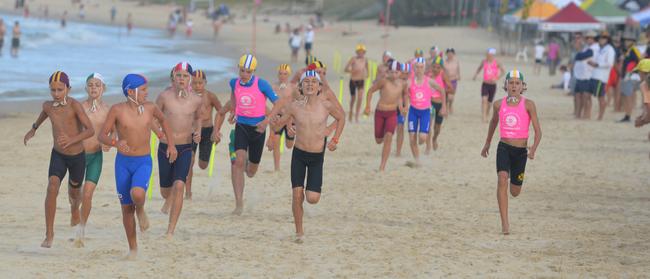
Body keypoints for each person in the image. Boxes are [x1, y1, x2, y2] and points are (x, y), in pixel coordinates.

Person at [99, 74, 176, 259]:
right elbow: (102, 135)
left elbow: (164, 121)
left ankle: (140, 209)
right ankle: (133, 249)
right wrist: (115, 143)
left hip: (143, 161)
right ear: (130, 91)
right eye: (143, 90)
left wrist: (171, 144)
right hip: (123, 164)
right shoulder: (117, 110)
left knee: (138, 194)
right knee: (126, 209)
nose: (147, 93)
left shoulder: (150, 107)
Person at [270, 70, 345, 243]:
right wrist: (275, 125)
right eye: (306, 82)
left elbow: (341, 118)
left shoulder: (326, 106)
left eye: (314, 82)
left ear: (319, 87)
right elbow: (278, 127)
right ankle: (299, 233)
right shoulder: (295, 107)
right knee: (297, 195)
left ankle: (305, 204)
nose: (310, 84)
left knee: (312, 198)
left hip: (317, 156)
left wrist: (334, 138)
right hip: (299, 154)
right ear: (301, 87)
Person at [23, 71, 95, 248]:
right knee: (52, 186)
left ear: (68, 89)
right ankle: (49, 233)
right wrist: (34, 128)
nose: (56, 94)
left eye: (59, 90)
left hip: (77, 156)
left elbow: (90, 130)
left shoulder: (75, 106)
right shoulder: (48, 106)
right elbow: (44, 115)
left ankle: (73, 209)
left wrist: (72, 140)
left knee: (74, 194)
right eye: (52, 90)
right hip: (58, 155)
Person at [211, 54, 286, 215]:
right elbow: (234, 96)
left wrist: (267, 122)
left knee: (251, 172)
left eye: (248, 71)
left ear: (253, 71)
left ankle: (245, 165)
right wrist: (234, 110)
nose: (244, 74)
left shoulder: (262, 84)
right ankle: (239, 203)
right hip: (242, 127)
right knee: (238, 161)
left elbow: (279, 103)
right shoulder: (234, 82)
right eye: (242, 70)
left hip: (258, 129)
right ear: (238, 68)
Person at [481, 70, 542, 235]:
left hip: (521, 151)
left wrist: (533, 150)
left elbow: (538, 132)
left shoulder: (529, 105)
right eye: (511, 82)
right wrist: (487, 143)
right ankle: (505, 224)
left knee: (515, 192)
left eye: (517, 83)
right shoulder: (498, 104)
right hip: (504, 147)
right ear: (506, 85)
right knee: (501, 179)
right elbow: (493, 122)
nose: (514, 86)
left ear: (522, 86)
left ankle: (514, 183)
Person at [154, 62, 202, 239]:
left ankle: (170, 230)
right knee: (166, 191)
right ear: (173, 76)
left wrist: (197, 131)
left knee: (180, 185)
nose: (182, 79)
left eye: (185, 76)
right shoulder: (164, 97)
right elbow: (153, 117)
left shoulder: (196, 99)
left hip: (185, 147)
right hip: (166, 147)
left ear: (190, 79)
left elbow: (198, 119)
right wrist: (159, 134)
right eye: (179, 75)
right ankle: (168, 198)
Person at [73, 73, 112, 247]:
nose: (94, 88)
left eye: (97, 85)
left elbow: (115, 130)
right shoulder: (79, 107)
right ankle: (74, 209)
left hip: (96, 156)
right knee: (74, 196)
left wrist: (109, 142)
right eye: (90, 85)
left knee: (87, 195)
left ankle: (82, 228)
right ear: (86, 88)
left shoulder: (108, 110)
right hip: (78, 156)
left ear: (103, 88)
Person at [186, 69, 222, 199]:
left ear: (205, 83)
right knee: (189, 160)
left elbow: (221, 111)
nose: (197, 86)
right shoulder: (187, 95)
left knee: (202, 165)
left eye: (200, 83)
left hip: (207, 130)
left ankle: (205, 156)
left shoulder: (210, 96)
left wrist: (216, 130)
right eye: (194, 83)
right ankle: (188, 192)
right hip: (191, 132)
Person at [364, 61, 406, 171]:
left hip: (392, 113)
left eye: (396, 72)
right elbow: (370, 91)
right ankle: (381, 135)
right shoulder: (383, 82)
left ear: (400, 73)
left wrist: (403, 107)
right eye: (391, 72)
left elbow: (402, 95)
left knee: (389, 137)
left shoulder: (402, 84)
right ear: (388, 72)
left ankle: (382, 166)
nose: (393, 74)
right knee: (378, 140)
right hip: (380, 112)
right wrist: (368, 106)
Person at [405, 57, 446, 167]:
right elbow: (403, 93)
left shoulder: (429, 81)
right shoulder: (409, 82)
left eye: (421, 67)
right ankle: (418, 161)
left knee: (422, 138)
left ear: (424, 68)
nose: (419, 69)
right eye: (417, 67)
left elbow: (442, 90)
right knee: (411, 138)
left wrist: (444, 107)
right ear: (414, 68)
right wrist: (404, 106)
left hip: (425, 112)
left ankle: (423, 145)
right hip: (413, 111)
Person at [268, 64, 296, 171]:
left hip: (290, 118)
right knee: (276, 142)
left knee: (289, 145)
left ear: (288, 74)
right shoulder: (273, 87)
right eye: (280, 73)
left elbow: (298, 101)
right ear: (277, 74)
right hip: (278, 117)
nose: (282, 76)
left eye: (285, 74)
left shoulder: (293, 87)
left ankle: (290, 140)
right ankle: (277, 168)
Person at [425, 56, 451, 153]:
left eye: (438, 67)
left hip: (440, 104)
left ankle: (434, 138)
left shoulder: (443, 75)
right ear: (431, 66)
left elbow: (451, 88)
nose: (435, 69)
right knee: (429, 124)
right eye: (434, 67)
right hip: (430, 103)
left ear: (441, 68)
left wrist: (440, 89)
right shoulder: (427, 75)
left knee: (437, 128)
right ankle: (428, 147)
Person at [472, 48, 505, 122]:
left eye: (490, 55)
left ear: (493, 55)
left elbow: (503, 71)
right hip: (485, 84)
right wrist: (475, 75)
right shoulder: (484, 61)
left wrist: (496, 78)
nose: (488, 56)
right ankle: (483, 116)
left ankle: (487, 113)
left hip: (493, 85)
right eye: (487, 54)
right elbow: (479, 68)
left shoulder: (497, 62)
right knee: (484, 100)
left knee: (489, 102)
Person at [589, 31, 616, 120]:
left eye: (604, 38)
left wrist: (597, 64)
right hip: (594, 75)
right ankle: (595, 115)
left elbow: (610, 63)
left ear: (607, 40)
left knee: (601, 97)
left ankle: (600, 116)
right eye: (600, 38)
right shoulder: (599, 48)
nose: (601, 39)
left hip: (601, 77)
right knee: (596, 96)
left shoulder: (610, 49)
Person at [574, 30, 597, 119]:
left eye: (590, 38)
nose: (588, 39)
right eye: (587, 38)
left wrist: (578, 51)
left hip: (588, 75)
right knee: (578, 96)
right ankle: (578, 114)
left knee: (586, 97)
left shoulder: (594, 48)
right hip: (580, 75)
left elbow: (580, 56)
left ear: (594, 39)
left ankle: (587, 114)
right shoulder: (587, 47)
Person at [620, 33, 642, 123]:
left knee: (628, 96)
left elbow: (638, 62)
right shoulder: (629, 50)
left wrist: (629, 73)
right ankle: (627, 114)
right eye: (626, 40)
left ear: (633, 42)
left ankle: (628, 116)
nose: (626, 42)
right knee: (625, 95)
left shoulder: (634, 50)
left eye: (628, 40)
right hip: (628, 75)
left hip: (630, 76)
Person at [344, 44, 369, 122]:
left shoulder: (365, 60)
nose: (360, 53)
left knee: (360, 98)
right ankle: (351, 111)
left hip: (361, 80)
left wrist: (366, 75)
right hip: (353, 81)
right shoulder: (353, 59)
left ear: (364, 52)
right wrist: (352, 71)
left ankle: (357, 115)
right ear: (357, 52)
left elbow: (368, 70)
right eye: (359, 51)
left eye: (362, 52)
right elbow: (345, 69)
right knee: (353, 98)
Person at [634, 59, 650, 158]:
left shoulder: (645, 85)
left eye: (638, 72)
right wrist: (643, 117)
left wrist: (642, 121)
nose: (638, 74)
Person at [395, 62, 411, 157]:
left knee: (400, 128)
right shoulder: (395, 81)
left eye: (407, 73)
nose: (405, 75)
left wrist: (405, 107)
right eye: (403, 72)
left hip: (403, 108)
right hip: (393, 107)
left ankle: (398, 151)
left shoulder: (410, 83)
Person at [444, 48, 460, 114]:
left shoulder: (456, 62)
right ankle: (446, 107)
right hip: (446, 80)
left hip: (453, 80)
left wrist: (459, 75)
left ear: (454, 54)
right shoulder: (444, 62)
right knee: (446, 96)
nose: (450, 55)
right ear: (446, 54)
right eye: (448, 54)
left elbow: (458, 69)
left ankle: (450, 105)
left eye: (451, 54)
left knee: (451, 97)